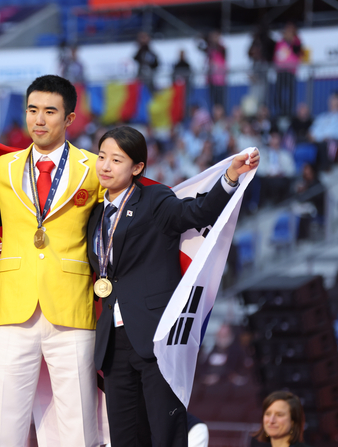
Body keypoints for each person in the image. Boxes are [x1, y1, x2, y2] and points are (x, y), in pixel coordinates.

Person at [86, 126, 259, 447]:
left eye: (116, 160)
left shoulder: (154, 199)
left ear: (137, 168)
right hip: (112, 343)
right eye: (101, 157)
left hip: (155, 337)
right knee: (124, 437)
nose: (105, 166)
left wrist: (230, 178)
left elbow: (197, 211)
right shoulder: (95, 215)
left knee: (166, 435)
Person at [0, 75, 105, 446]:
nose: (39, 120)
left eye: (50, 111)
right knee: (9, 423)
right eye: (32, 110)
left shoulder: (93, 168)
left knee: (79, 422)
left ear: (70, 118)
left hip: (72, 305)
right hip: (14, 305)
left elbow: (126, 211)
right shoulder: (4, 168)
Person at [309, 93, 338, 170]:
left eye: (336, 103)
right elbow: (313, 130)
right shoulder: (323, 116)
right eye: (332, 102)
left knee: (324, 145)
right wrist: (316, 136)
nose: (333, 105)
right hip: (318, 140)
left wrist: (326, 137)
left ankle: (325, 168)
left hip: (333, 141)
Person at [274, 23, 302, 117]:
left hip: (290, 71)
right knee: (278, 93)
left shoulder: (296, 42)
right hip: (280, 71)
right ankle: (280, 110)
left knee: (290, 93)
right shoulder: (279, 43)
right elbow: (276, 55)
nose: (287, 33)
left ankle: (289, 111)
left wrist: (292, 40)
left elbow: (297, 51)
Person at [198, 30, 227, 109]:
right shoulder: (210, 49)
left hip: (220, 80)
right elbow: (200, 47)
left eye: (214, 37)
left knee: (221, 102)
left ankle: (221, 117)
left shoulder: (221, 49)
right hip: (211, 80)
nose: (212, 39)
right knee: (213, 102)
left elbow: (220, 50)